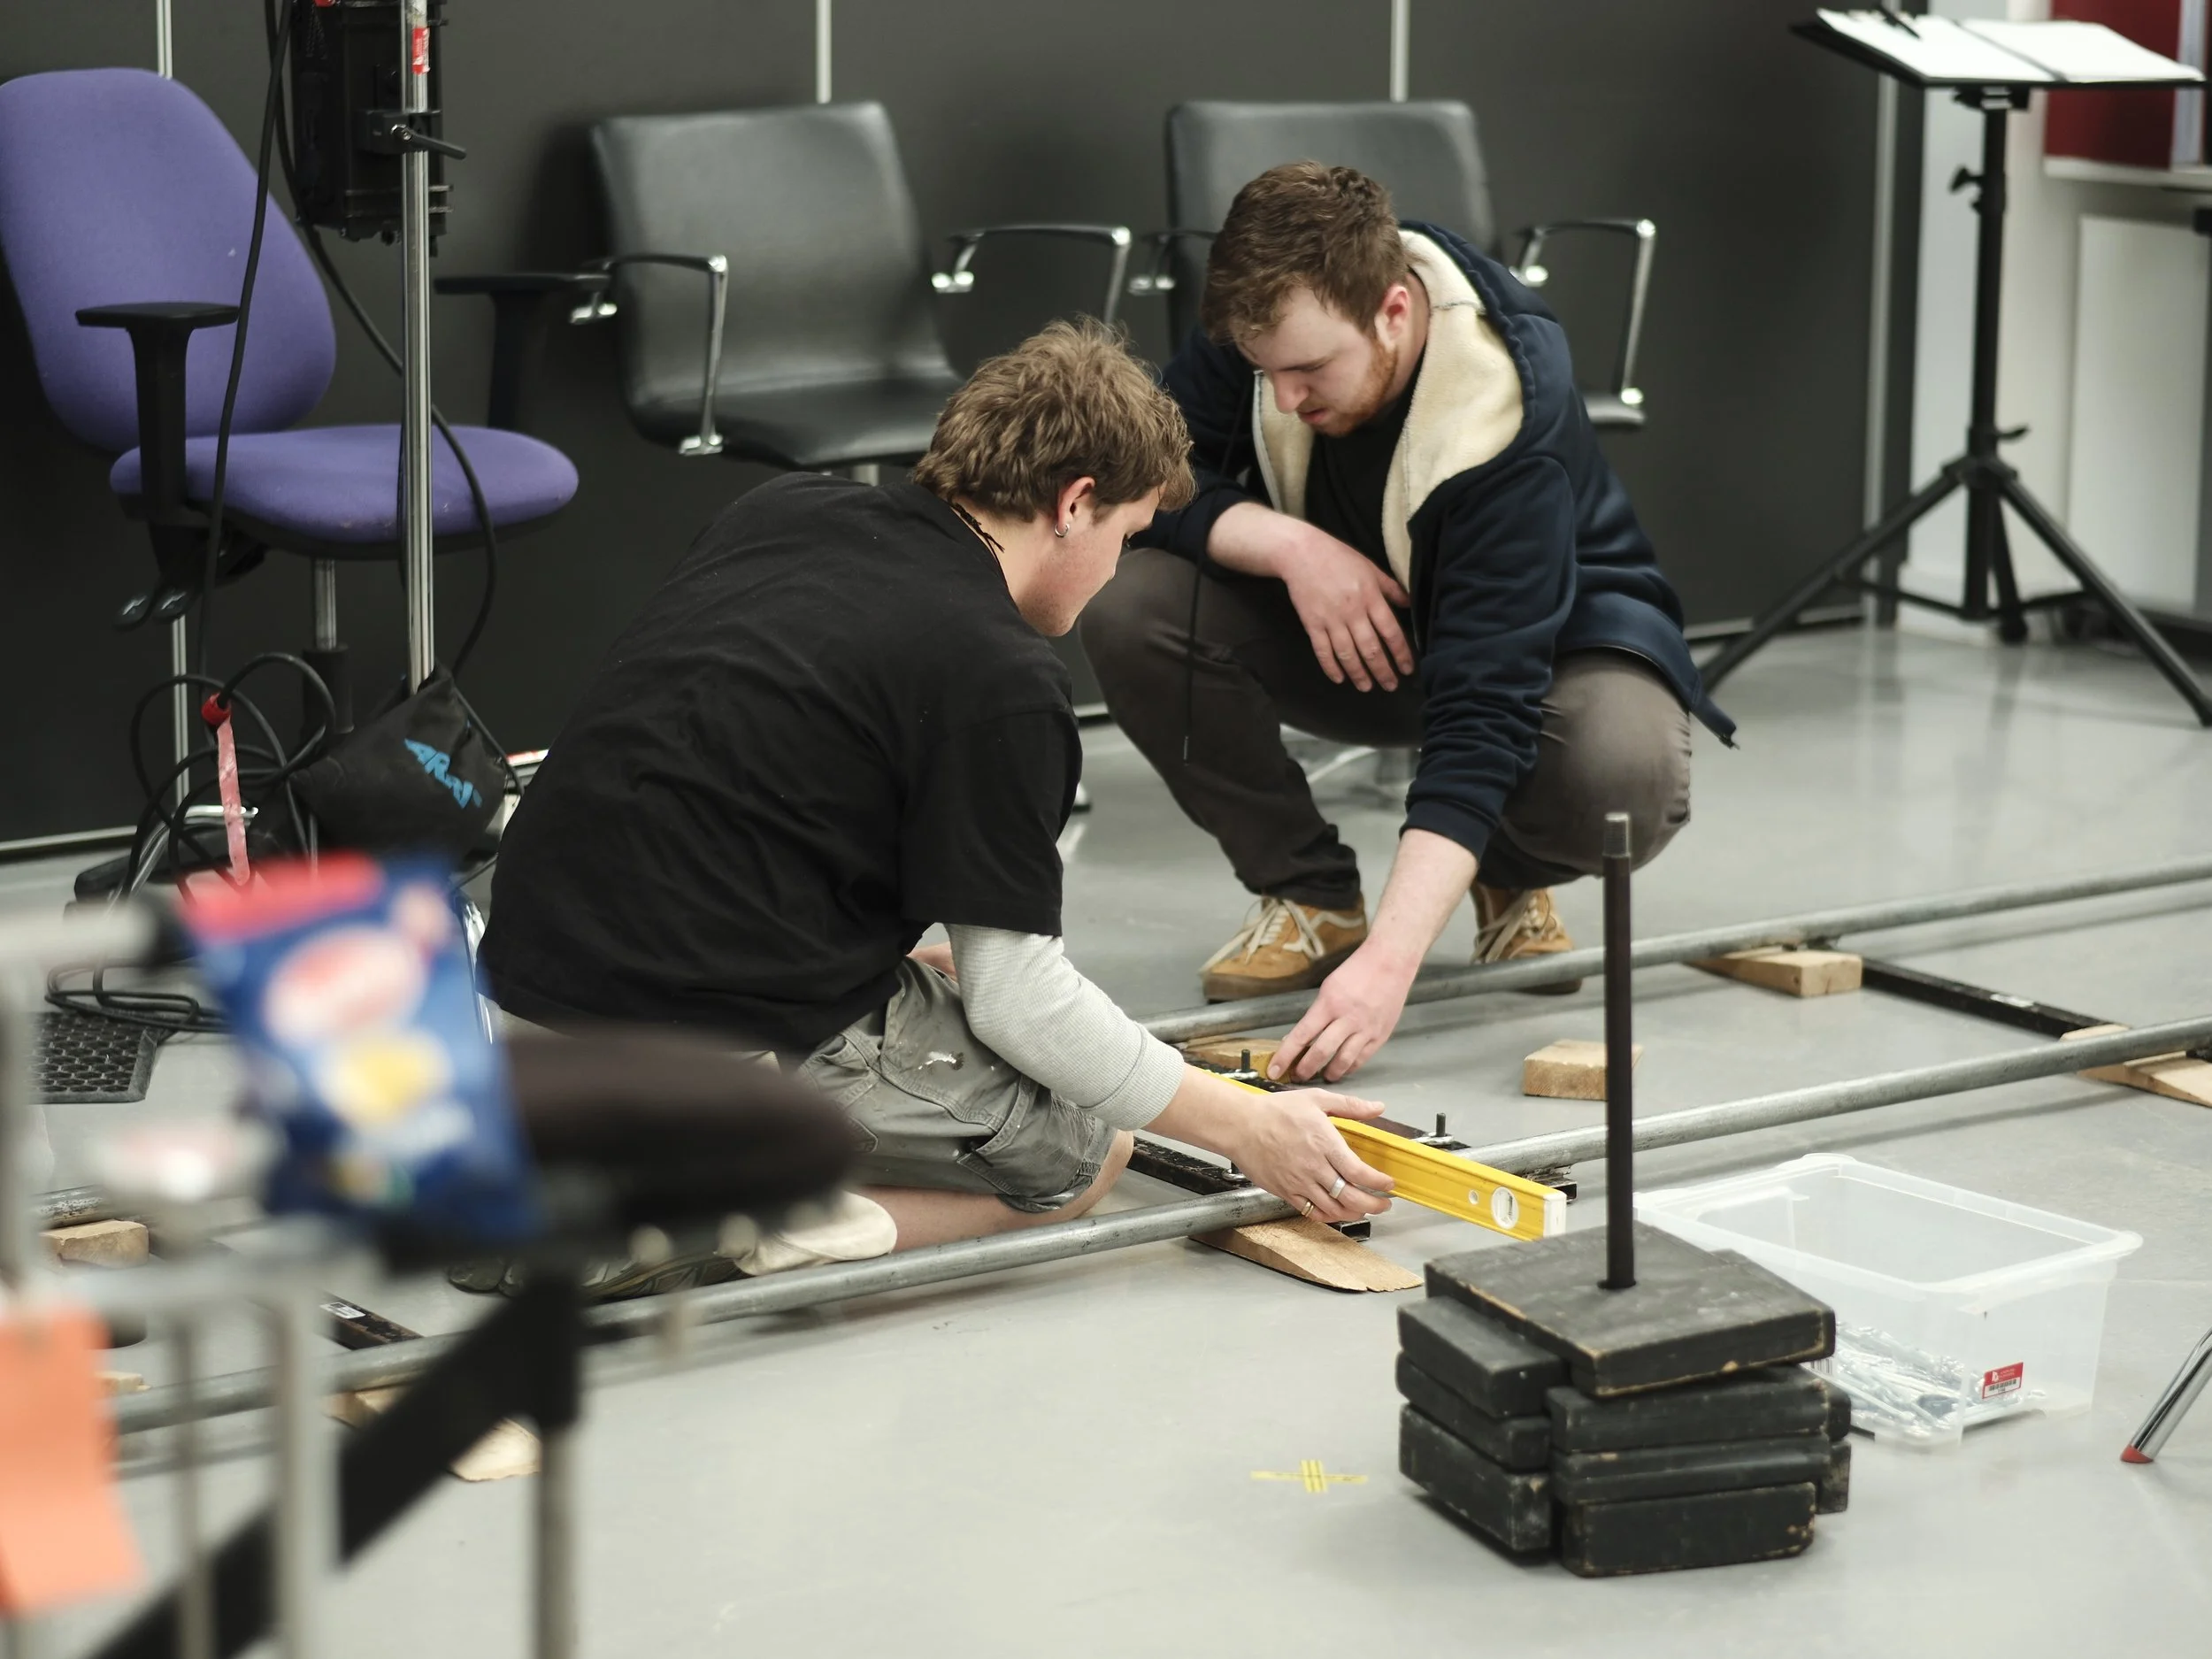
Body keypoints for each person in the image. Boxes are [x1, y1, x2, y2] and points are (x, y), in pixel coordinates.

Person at [479, 319, 1394, 1278]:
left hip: (524, 998)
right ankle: (737, 1215)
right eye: (1125, 537)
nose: (1118, 569)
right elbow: (1022, 1006)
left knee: (956, 981)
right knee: (1089, 1150)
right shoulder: (999, 675)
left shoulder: (783, 508)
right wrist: (1246, 1126)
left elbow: (724, 777)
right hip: (691, 1049)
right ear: (1075, 504)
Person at [1080, 163, 1730, 1085]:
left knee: (1623, 775)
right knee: (1127, 603)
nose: (1288, 399)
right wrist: (1287, 546)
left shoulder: (1504, 408)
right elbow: (1143, 471)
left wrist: (1387, 971)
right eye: (1268, 374)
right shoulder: (1269, 323)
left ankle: (1502, 870)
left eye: (1310, 371)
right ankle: (1309, 897)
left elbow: (1485, 707)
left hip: (1542, 653)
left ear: (1393, 311)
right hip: (1358, 629)